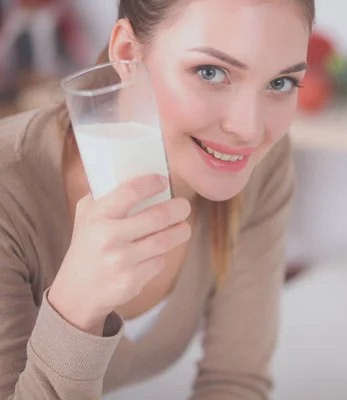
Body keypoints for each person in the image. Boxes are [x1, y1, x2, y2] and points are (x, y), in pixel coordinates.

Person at [0, 0, 314, 398]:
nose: (249, 130)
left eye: (281, 83)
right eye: (211, 72)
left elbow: (234, 383)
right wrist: (75, 312)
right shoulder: (9, 192)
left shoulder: (257, 167)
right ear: (128, 55)